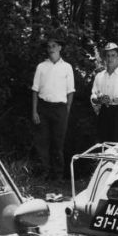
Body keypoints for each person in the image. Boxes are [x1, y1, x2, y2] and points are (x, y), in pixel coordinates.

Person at [31, 36, 75, 180]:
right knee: (42, 142)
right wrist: (34, 111)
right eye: (49, 46)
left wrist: (66, 110)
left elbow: (70, 91)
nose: (51, 49)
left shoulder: (67, 67)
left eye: (54, 46)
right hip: (43, 108)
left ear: (60, 48)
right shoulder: (41, 66)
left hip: (60, 109)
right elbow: (35, 90)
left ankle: (58, 176)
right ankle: (44, 173)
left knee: (58, 143)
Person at [90, 42, 118, 143]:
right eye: (108, 55)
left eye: (113, 55)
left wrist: (110, 99)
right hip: (103, 114)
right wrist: (99, 99)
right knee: (101, 146)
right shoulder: (99, 76)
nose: (110, 58)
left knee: (115, 148)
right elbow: (93, 97)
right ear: (104, 58)